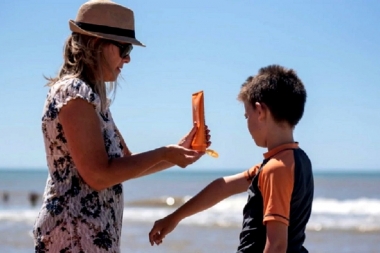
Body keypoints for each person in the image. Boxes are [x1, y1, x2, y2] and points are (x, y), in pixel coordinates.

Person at [33, 0, 210, 252]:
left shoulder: (93, 99)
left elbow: (126, 164)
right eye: (124, 48)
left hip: (87, 237)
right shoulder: (74, 92)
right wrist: (164, 152)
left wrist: (177, 152)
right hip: (72, 236)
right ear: (95, 44)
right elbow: (98, 175)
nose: (127, 59)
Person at [149, 65, 314, 253]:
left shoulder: (275, 169)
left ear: (260, 112)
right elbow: (223, 186)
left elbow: (276, 246)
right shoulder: (296, 161)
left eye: (246, 116)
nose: (247, 123)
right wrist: (174, 218)